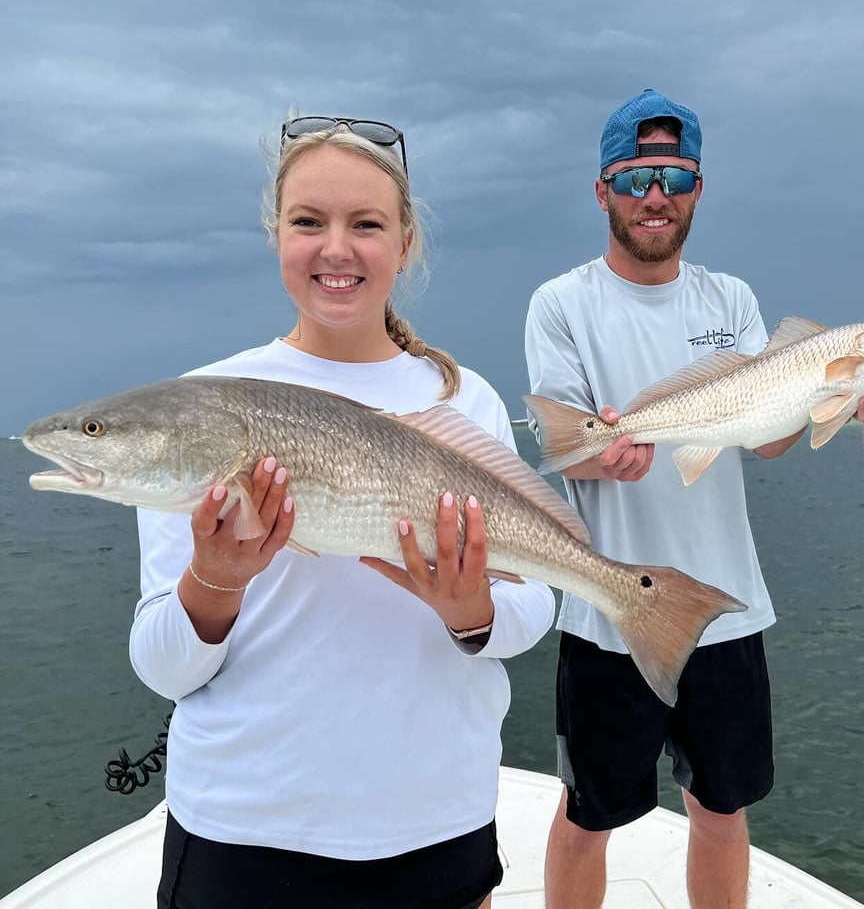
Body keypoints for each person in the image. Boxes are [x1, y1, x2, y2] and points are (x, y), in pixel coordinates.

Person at [131, 115, 555, 909]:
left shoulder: (464, 403)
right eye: (307, 222)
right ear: (276, 236)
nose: (335, 248)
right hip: (243, 829)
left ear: (405, 243)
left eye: (365, 224)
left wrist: (474, 613)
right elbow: (164, 668)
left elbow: (534, 607)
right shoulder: (201, 409)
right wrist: (213, 584)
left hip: (436, 818)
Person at [524, 89, 864, 909]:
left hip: (728, 608)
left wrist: (833, 398)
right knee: (589, 814)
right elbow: (568, 448)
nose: (657, 198)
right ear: (603, 189)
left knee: (721, 810)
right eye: (637, 177)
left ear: (698, 190)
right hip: (609, 614)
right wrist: (606, 457)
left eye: (676, 178)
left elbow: (766, 435)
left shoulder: (731, 301)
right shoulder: (562, 304)